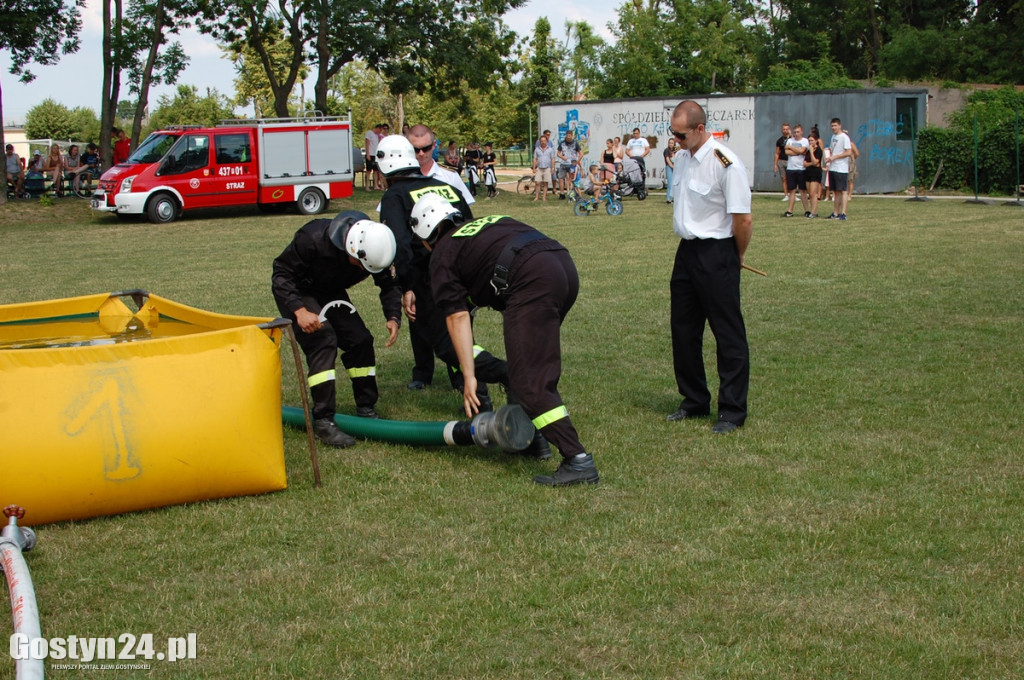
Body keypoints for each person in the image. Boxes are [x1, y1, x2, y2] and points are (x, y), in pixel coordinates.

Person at [410, 194, 600, 486]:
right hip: (561, 266)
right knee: (530, 372)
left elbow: (456, 318)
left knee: (528, 380)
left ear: (425, 234)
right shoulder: (483, 224)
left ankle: (578, 460)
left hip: (530, 280)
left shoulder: (443, 253)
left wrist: (469, 376)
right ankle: (532, 442)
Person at [376, 134, 511, 414]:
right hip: (465, 271)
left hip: (430, 278)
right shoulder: (445, 185)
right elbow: (470, 227)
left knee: (448, 346)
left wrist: (408, 287)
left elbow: (399, 245)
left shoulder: (394, 195)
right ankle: (481, 406)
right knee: (461, 338)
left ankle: (506, 375)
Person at [271, 210, 402, 448]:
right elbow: (281, 274)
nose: (364, 272)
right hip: (298, 291)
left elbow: (389, 284)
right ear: (351, 248)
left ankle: (366, 407)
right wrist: (299, 310)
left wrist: (393, 316)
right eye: (363, 267)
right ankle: (323, 421)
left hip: (330, 291)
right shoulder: (311, 238)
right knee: (323, 339)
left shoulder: (375, 246)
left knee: (360, 340)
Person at [666, 100, 751, 435]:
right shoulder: (684, 159)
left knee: (727, 333)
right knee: (683, 332)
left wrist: (736, 256)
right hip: (687, 252)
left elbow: (742, 219)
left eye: (681, 134)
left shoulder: (725, 163)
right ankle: (694, 400)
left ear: (701, 129)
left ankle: (731, 410)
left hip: (718, 253)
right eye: (672, 134)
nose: (676, 140)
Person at [403, 124, 475, 390]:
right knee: (417, 315)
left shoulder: (450, 178)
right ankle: (422, 373)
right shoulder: (401, 180)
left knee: (455, 313)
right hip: (417, 260)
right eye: (415, 149)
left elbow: (467, 219)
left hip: (447, 259)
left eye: (425, 148)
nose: (420, 154)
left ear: (435, 146)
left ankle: (460, 374)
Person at [824, 117, 853, 220]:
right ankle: (835, 213)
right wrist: (829, 158)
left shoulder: (844, 137)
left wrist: (835, 157)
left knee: (843, 190)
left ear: (840, 125)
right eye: (832, 126)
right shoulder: (833, 137)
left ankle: (843, 213)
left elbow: (848, 152)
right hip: (833, 167)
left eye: (835, 125)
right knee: (835, 191)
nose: (833, 127)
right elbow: (833, 150)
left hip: (841, 168)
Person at [783, 124, 810, 217]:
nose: (796, 134)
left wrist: (791, 148)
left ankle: (807, 210)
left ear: (801, 132)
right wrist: (797, 151)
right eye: (794, 132)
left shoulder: (805, 141)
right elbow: (786, 151)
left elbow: (802, 151)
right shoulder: (790, 140)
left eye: (798, 132)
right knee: (792, 191)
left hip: (801, 169)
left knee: (803, 190)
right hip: (791, 168)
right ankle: (790, 211)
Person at [803, 126, 824, 218]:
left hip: (816, 173)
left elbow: (816, 162)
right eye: (809, 141)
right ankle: (812, 210)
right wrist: (811, 163)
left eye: (812, 140)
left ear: (816, 141)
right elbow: (805, 163)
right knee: (809, 193)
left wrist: (811, 153)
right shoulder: (808, 150)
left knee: (813, 193)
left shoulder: (818, 150)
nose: (810, 142)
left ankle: (814, 212)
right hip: (808, 172)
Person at [555, 130, 580, 200]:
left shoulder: (575, 143)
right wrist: (562, 157)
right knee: (561, 179)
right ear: (566, 135)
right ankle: (562, 193)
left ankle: (573, 194)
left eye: (570, 136)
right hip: (563, 163)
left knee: (572, 179)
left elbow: (581, 153)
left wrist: (577, 161)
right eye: (568, 135)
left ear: (572, 136)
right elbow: (558, 153)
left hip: (571, 164)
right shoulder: (562, 143)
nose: (569, 137)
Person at [531, 135, 555, 202]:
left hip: (547, 168)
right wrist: (534, 168)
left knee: (545, 183)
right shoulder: (537, 149)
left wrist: (553, 168)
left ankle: (544, 197)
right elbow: (535, 159)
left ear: (547, 141)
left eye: (544, 141)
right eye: (541, 141)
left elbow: (552, 159)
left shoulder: (550, 149)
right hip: (539, 168)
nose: (543, 142)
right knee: (537, 182)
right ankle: (536, 197)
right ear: (540, 142)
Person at [773, 122, 791, 200]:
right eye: (784, 129)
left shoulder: (792, 139)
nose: (785, 131)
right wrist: (775, 164)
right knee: (784, 178)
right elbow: (777, 153)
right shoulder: (779, 141)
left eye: (787, 129)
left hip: (790, 160)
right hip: (782, 160)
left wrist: (791, 135)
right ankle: (786, 195)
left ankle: (792, 194)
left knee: (791, 178)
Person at [364, 123, 383, 190]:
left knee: (375, 171)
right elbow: (367, 143)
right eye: (380, 130)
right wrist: (368, 154)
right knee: (369, 170)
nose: (379, 132)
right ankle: (367, 186)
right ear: (377, 128)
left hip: (375, 155)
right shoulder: (369, 133)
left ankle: (376, 185)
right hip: (370, 154)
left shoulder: (376, 135)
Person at [664, 137, 677, 204]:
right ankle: (669, 199)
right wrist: (672, 166)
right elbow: (667, 160)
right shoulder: (666, 150)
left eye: (672, 143)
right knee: (670, 183)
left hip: (676, 167)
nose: (670, 144)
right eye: (669, 143)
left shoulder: (676, 150)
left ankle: (675, 198)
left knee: (676, 183)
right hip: (669, 167)